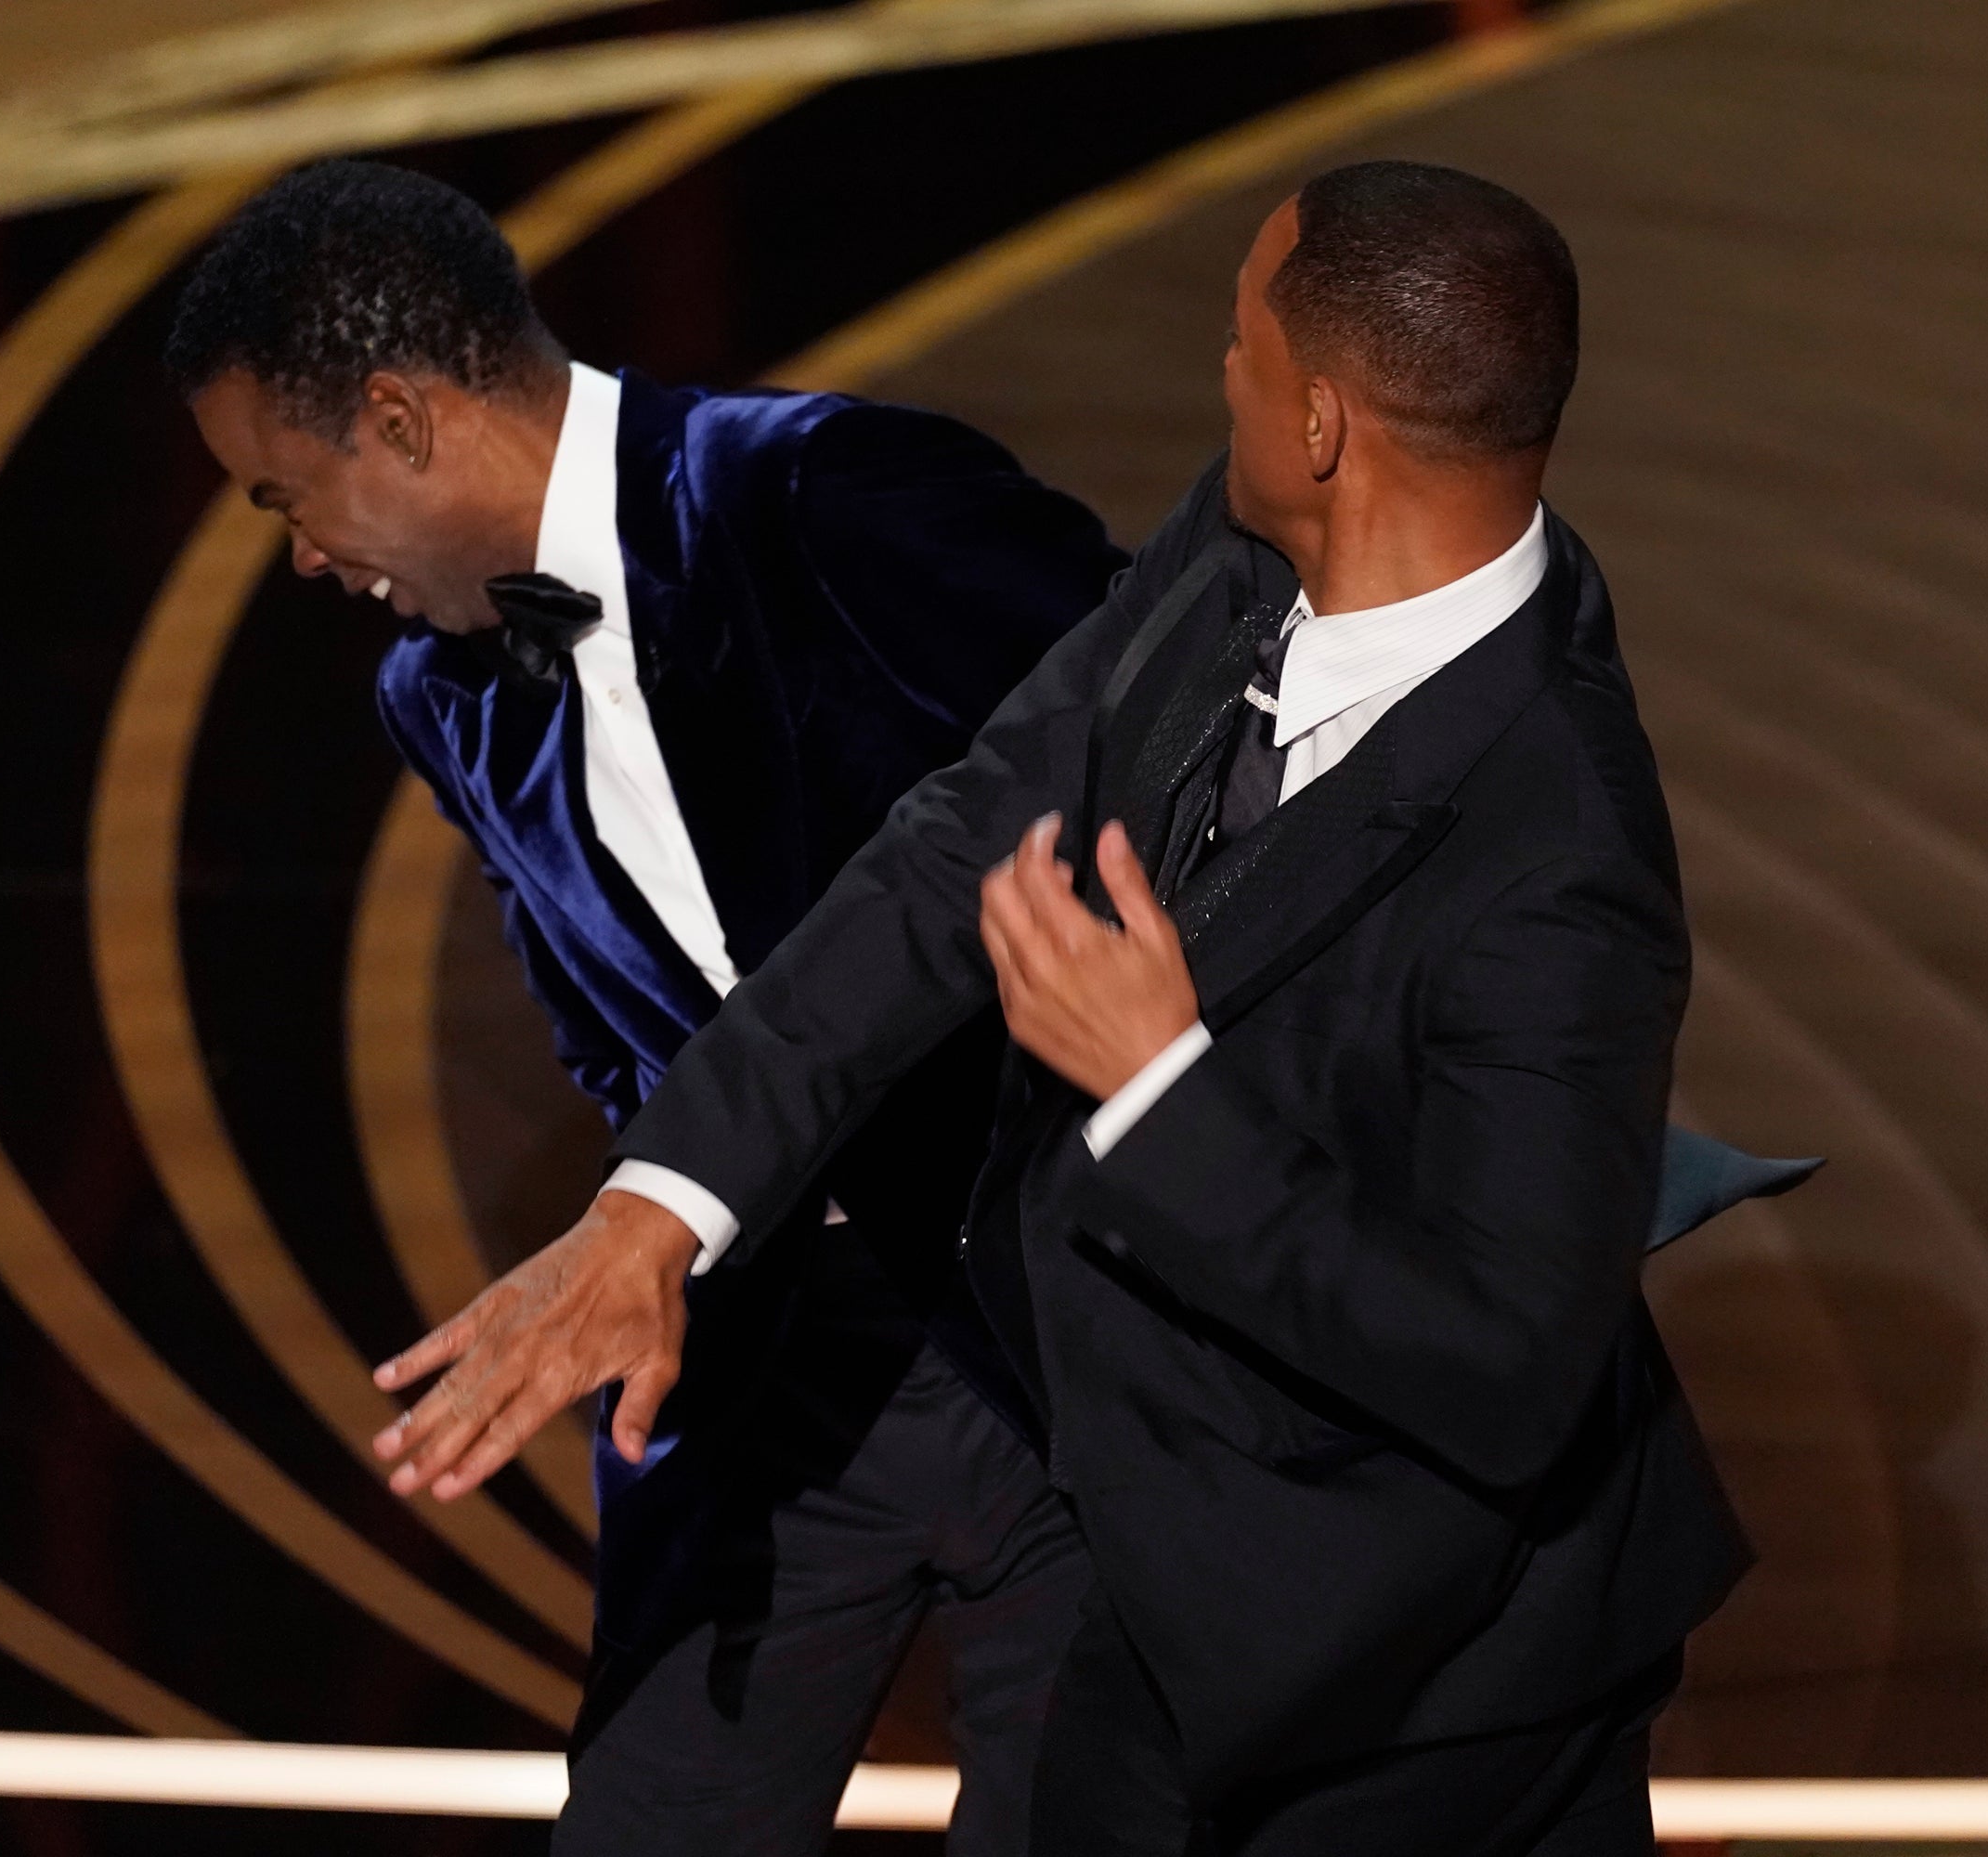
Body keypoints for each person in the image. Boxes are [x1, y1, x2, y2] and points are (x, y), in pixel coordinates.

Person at [371, 161, 1802, 1855]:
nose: (1220, 375)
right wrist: (662, 1206)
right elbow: (955, 846)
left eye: (1239, 347)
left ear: (1327, 425)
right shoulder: (1239, 548)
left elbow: (1497, 1368)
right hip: (1155, 1592)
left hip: (1428, 1691)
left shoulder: (1561, 855)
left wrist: (1157, 1085)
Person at [165, 158, 1128, 1856]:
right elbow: (610, 1033)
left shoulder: (832, 492)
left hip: (1064, 1332)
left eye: (279, 496)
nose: (302, 558)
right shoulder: (437, 696)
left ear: (398, 416)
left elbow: (1185, 793)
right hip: (764, 1365)